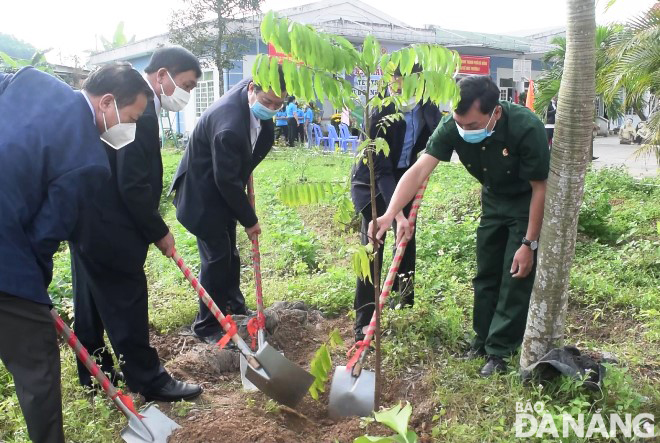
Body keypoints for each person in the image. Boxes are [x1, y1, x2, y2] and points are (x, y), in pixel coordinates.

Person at [0, 63, 151, 443]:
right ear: (106, 102)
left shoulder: (35, 82)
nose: (129, 130)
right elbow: (45, 236)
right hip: (5, 252)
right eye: (131, 118)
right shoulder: (89, 162)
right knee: (37, 367)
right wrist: (35, 295)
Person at [372, 76, 549, 377]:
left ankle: (500, 351)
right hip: (493, 200)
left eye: (471, 126)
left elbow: (540, 188)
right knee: (486, 272)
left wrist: (529, 243)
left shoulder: (525, 127)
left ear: (494, 113)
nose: (463, 131)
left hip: (524, 203)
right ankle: (481, 341)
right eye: (459, 124)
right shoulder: (452, 126)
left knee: (514, 275)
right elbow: (418, 170)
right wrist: (390, 214)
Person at [69, 47, 203, 402]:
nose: (186, 94)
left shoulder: (130, 107)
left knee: (90, 304)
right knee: (126, 301)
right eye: (186, 84)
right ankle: (148, 380)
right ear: (162, 76)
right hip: (112, 227)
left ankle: (95, 377)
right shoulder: (138, 113)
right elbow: (132, 183)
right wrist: (158, 230)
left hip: (86, 222)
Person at [170, 72, 287, 344]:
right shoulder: (229, 127)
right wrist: (250, 219)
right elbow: (226, 181)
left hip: (223, 192)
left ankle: (233, 304)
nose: (270, 109)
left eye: (277, 105)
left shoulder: (255, 94)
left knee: (230, 254)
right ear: (250, 90)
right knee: (217, 258)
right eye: (266, 101)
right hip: (202, 196)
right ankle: (207, 325)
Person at [351, 64, 441, 342]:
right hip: (372, 182)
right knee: (372, 245)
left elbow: (438, 136)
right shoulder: (379, 111)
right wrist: (396, 213)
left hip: (406, 178)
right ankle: (363, 320)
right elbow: (380, 169)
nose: (398, 87)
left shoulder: (427, 105)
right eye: (395, 82)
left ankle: (401, 303)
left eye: (405, 82)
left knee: (406, 239)